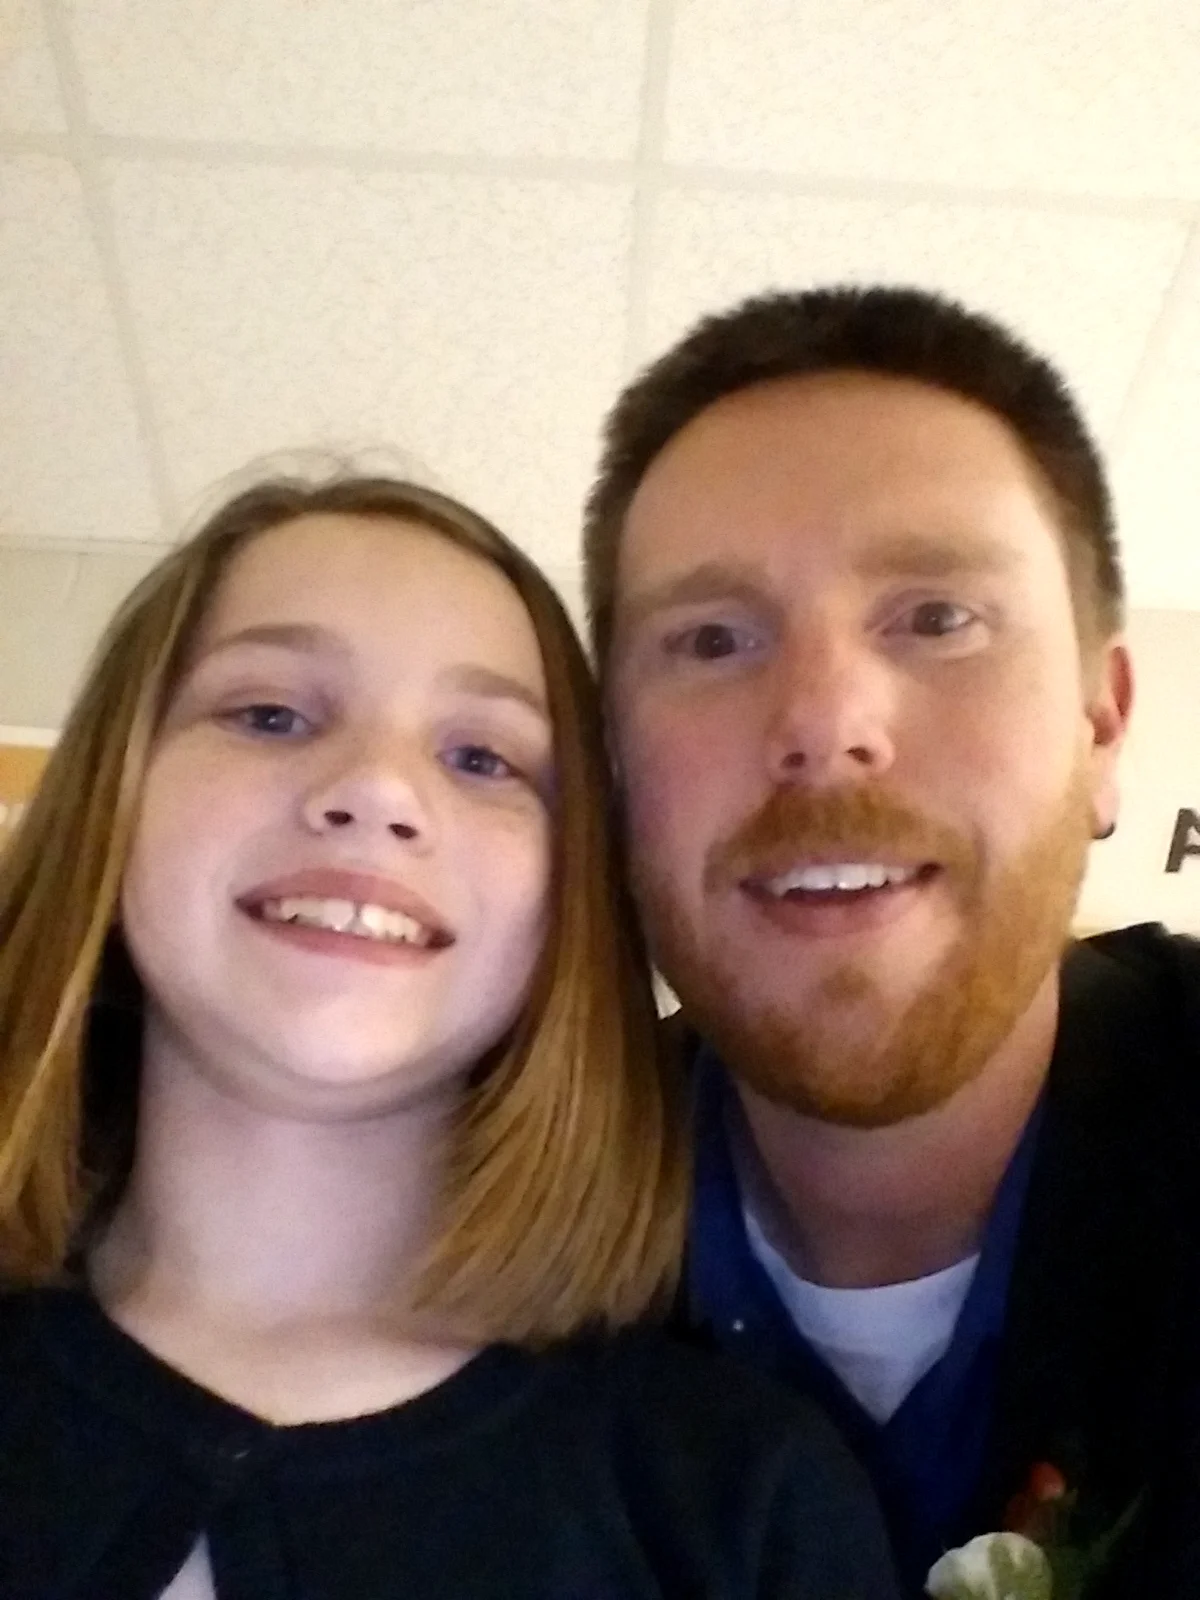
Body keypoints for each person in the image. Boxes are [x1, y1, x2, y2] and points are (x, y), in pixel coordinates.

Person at [0, 472, 898, 1600]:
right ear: (113, 798)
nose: (376, 789)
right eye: (269, 714)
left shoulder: (741, 1500)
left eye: (483, 758)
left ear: (569, 897)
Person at [583, 286, 1200, 1596]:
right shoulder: (475, 1249)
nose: (825, 721)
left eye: (937, 618)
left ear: (1100, 728)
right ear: (614, 770)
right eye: (711, 638)